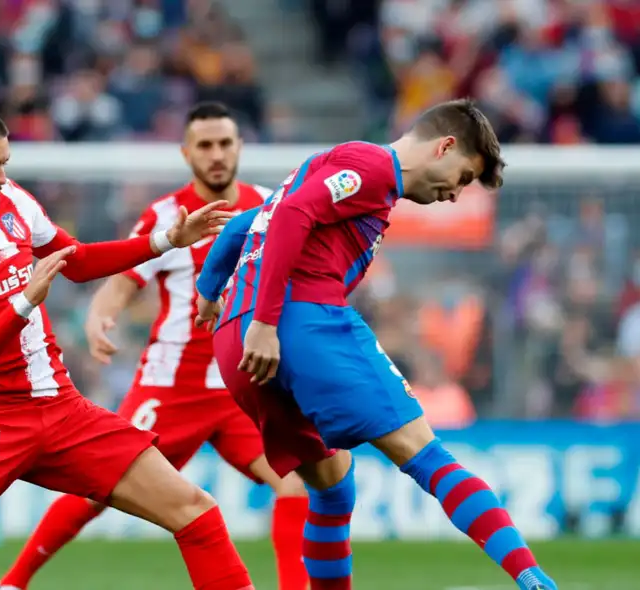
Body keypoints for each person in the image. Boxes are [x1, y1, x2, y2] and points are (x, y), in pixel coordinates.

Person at [0, 102, 255, 590]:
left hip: (61, 408)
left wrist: (165, 240)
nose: (1, 177)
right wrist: (22, 303)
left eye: (4, 164)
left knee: (195, 511)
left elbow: (77, 260)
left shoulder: (13, 201)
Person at [195, 99, 558, 590]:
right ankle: (533, 578)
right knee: (426, 455)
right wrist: (265, 320)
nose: (456, 195)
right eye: (464, 177)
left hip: (235, 343)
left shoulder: (337, 166)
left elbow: (246, 224)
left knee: (332, 488)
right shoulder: (371, 168)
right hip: (296, 321)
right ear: (444, 146)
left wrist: (209, 295)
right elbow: (292, 215)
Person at [0, 101, 310, 590]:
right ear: (187, 153)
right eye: (205, 145)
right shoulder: (167, 215)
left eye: (225, 143)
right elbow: (123, 280)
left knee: (294, 482)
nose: (217, 154)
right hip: (171, 388)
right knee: (98, 489)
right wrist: (102, 315)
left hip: (238, 386)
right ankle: (13, 582)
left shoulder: (269, 207)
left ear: (240, 147)